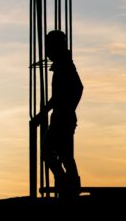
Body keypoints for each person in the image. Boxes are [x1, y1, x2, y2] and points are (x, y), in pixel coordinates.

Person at [37, 29, 83, 197]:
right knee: (64, 155)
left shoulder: (65, 66)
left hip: (62, 117)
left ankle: (67, 184)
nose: (47, 52)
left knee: (50, 152)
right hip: (62, 116)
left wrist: (65, 108)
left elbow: (70, 91)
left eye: (49, 47)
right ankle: (70, 185)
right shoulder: (63, 65)